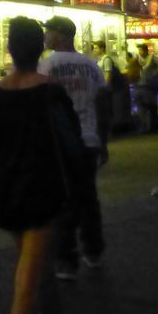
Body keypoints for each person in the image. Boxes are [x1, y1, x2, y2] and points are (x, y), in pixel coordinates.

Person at [0, 18, 89, 314]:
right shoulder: (51, 96)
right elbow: (72, 144)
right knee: (27, 282)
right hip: (42, 195)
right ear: (40, 49)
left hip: (0, 194)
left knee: (39, 270)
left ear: (9, 50)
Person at [40, 17, 106, 279]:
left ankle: (67, 260)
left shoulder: (48, 65)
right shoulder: (91, 65)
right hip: (89, 139)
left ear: (61, 35)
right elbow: (102, 106)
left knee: (63, 199)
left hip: (60, 140)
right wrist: (104, 141)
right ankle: (94, 250)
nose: (46, 36)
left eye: (49, 31)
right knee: (88, 197)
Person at [136, 42, 158, 134]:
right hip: (142, 84)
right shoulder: (139, 59)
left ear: (145, 50)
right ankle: (146, 126)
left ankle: (154, 127)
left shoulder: (152, 57)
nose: (139, 52)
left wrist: (156, 72)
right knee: (144, 106)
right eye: (139, 50)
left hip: (151, 85)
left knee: (152, 105)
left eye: (141, 50)